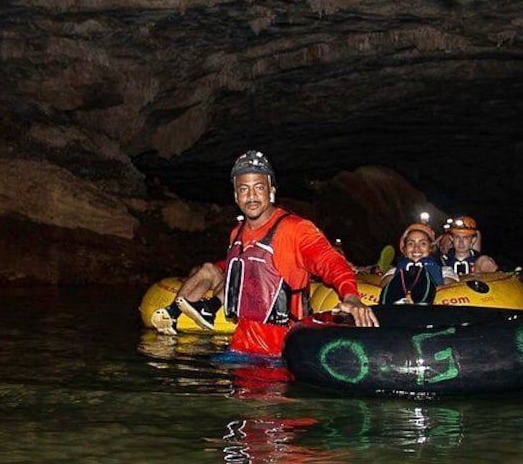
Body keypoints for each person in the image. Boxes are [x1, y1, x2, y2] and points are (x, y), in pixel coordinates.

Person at [151, 150, 378, 355]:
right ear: (236, 196)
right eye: (244, 189)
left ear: (271, 191)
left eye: (259, 187)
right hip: (241, 346)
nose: (251, 196)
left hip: (281, 350)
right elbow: (237, 268)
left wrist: (350, 296)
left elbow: (329, 261)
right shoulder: (236, 233)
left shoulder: (296, 229)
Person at [379, 219, 457, 304]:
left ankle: (423, 291)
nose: (416, 248)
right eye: (411, 244)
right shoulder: (394, 271)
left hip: (431, 311)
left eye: (423, 243)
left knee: (423, 277)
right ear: (404, 250)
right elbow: (382, 287)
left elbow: (451, 289)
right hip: (399, 310)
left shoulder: (445, 271)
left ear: (430, 248)